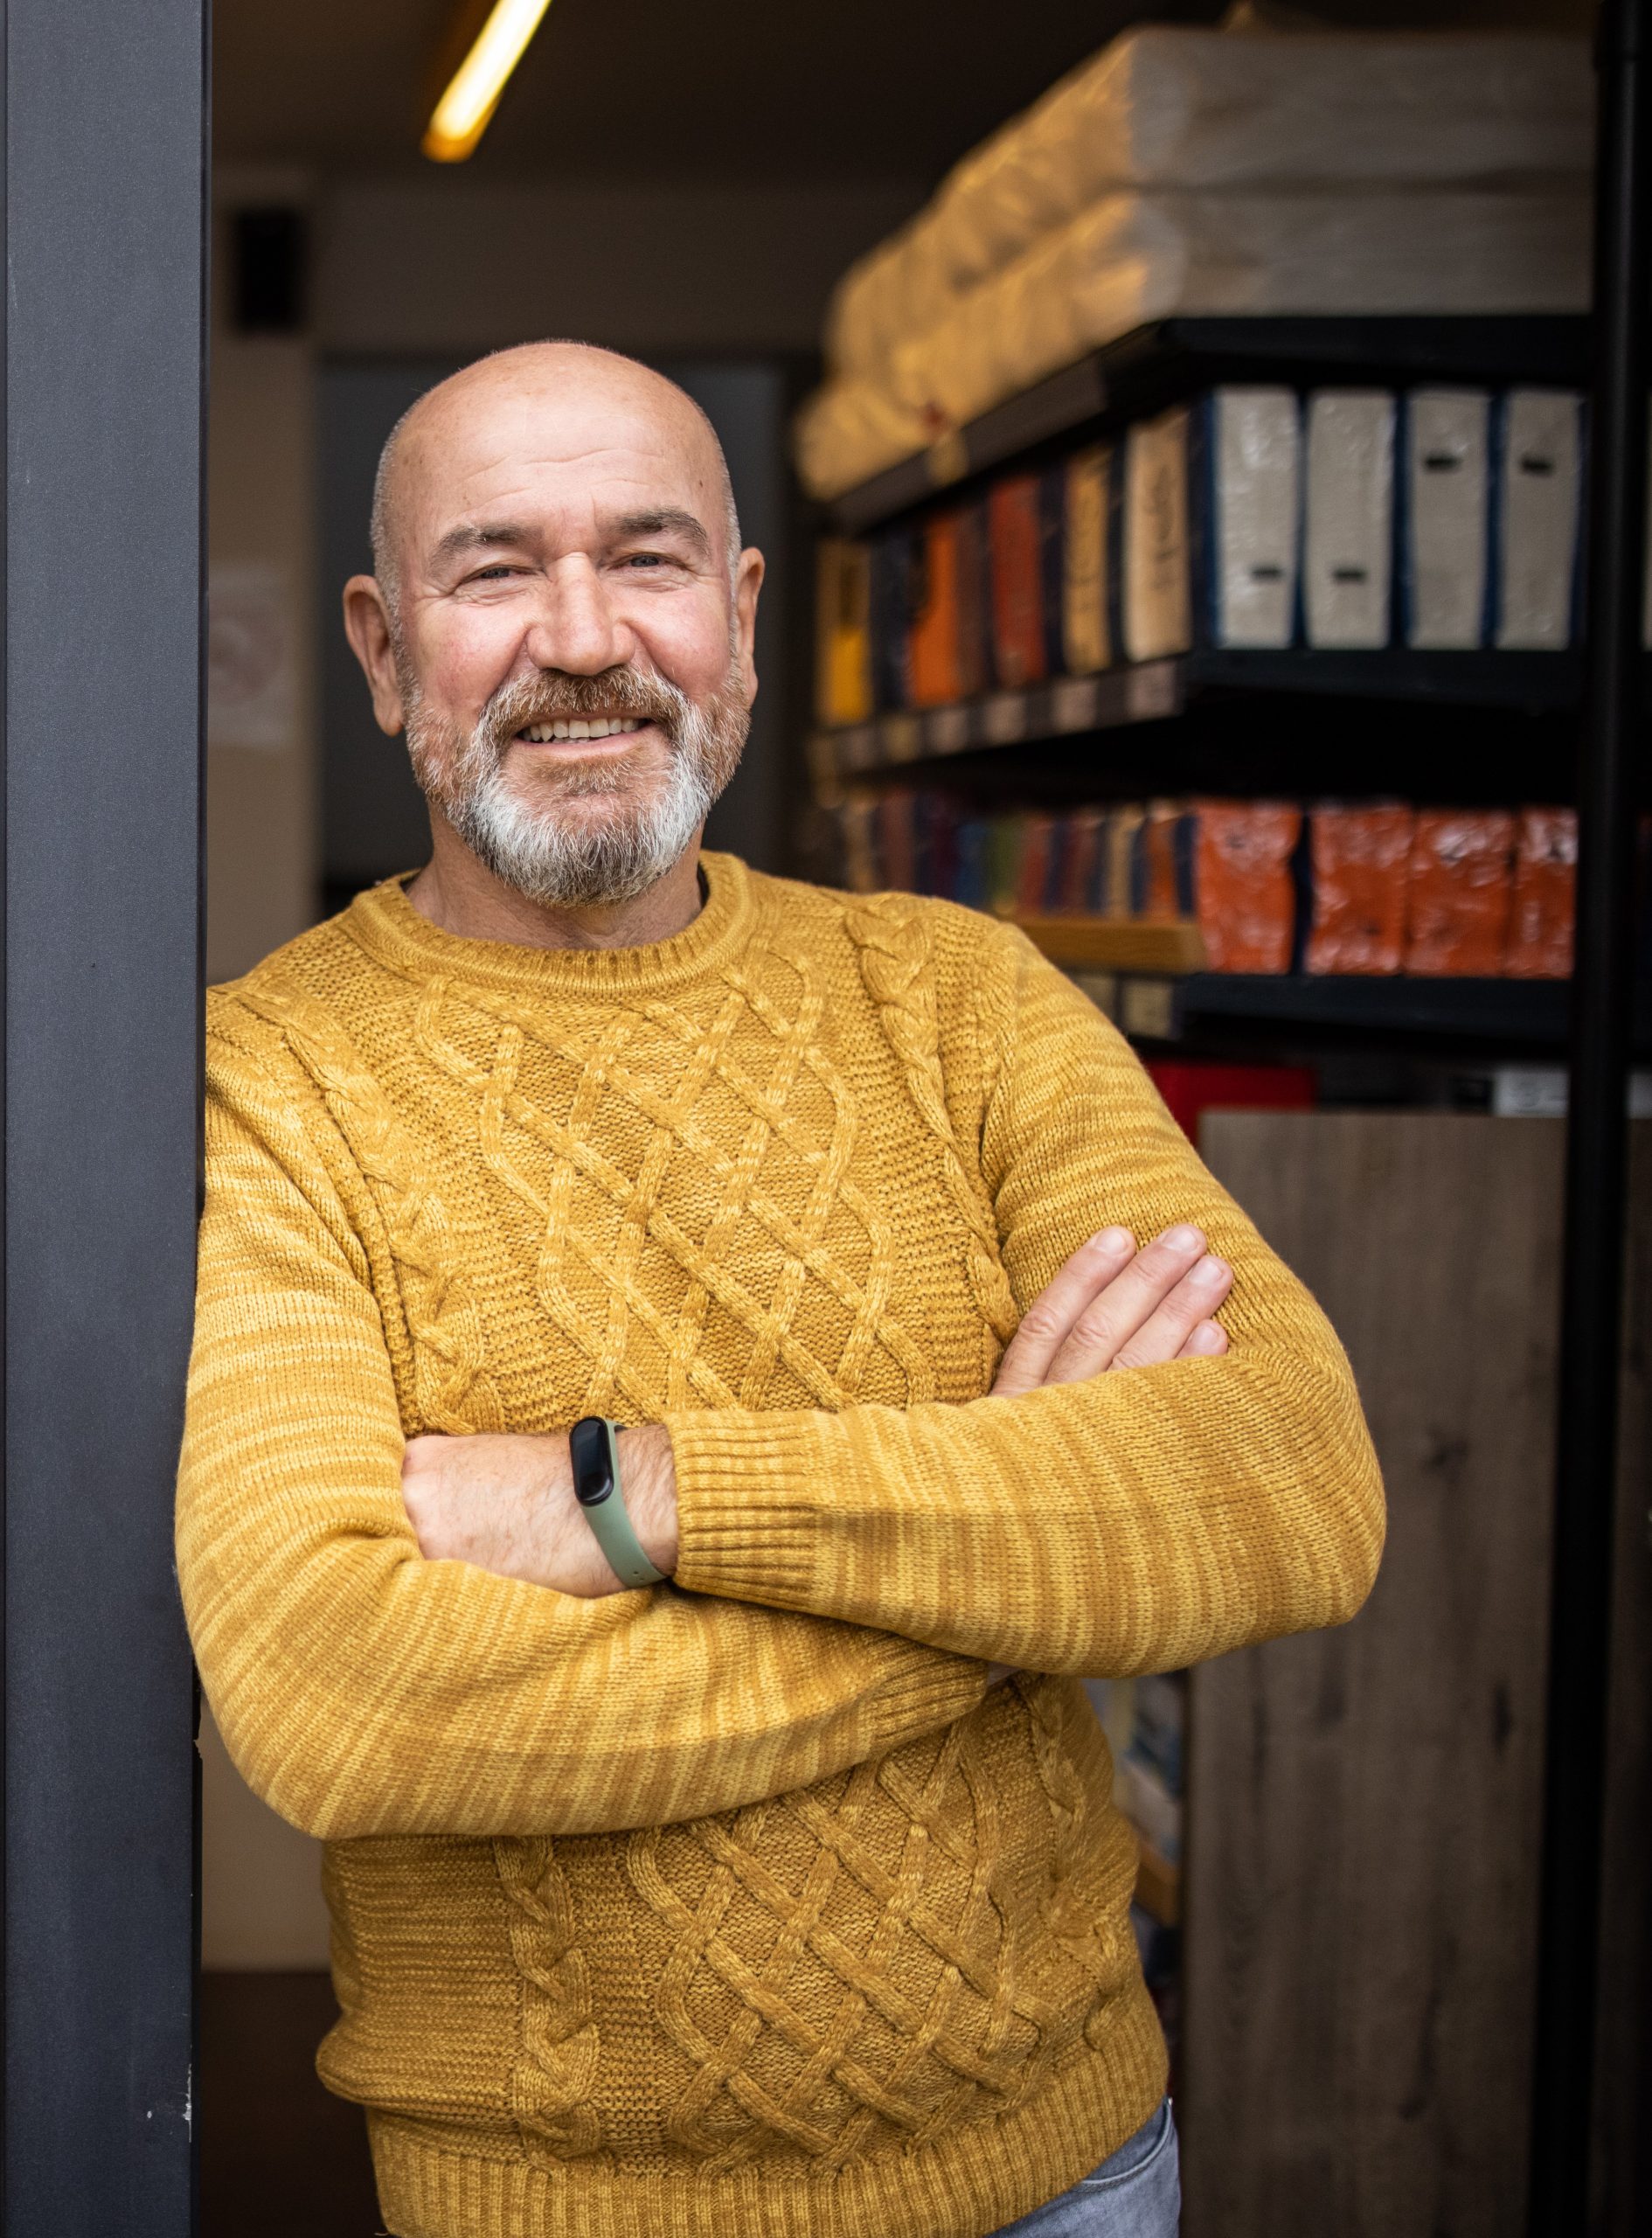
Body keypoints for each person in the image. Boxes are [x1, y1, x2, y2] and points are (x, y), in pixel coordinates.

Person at [175, 342, 1385, 2238]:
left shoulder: (962, 999)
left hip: (1076, 2170)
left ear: (738, 621)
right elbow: (338, 1688)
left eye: (647, 558)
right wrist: (1010, 1545)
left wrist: (629, 1493)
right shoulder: (268, 1076)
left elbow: (1295, 1481)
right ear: (385, 644)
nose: (583, 636)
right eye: (495, 572)